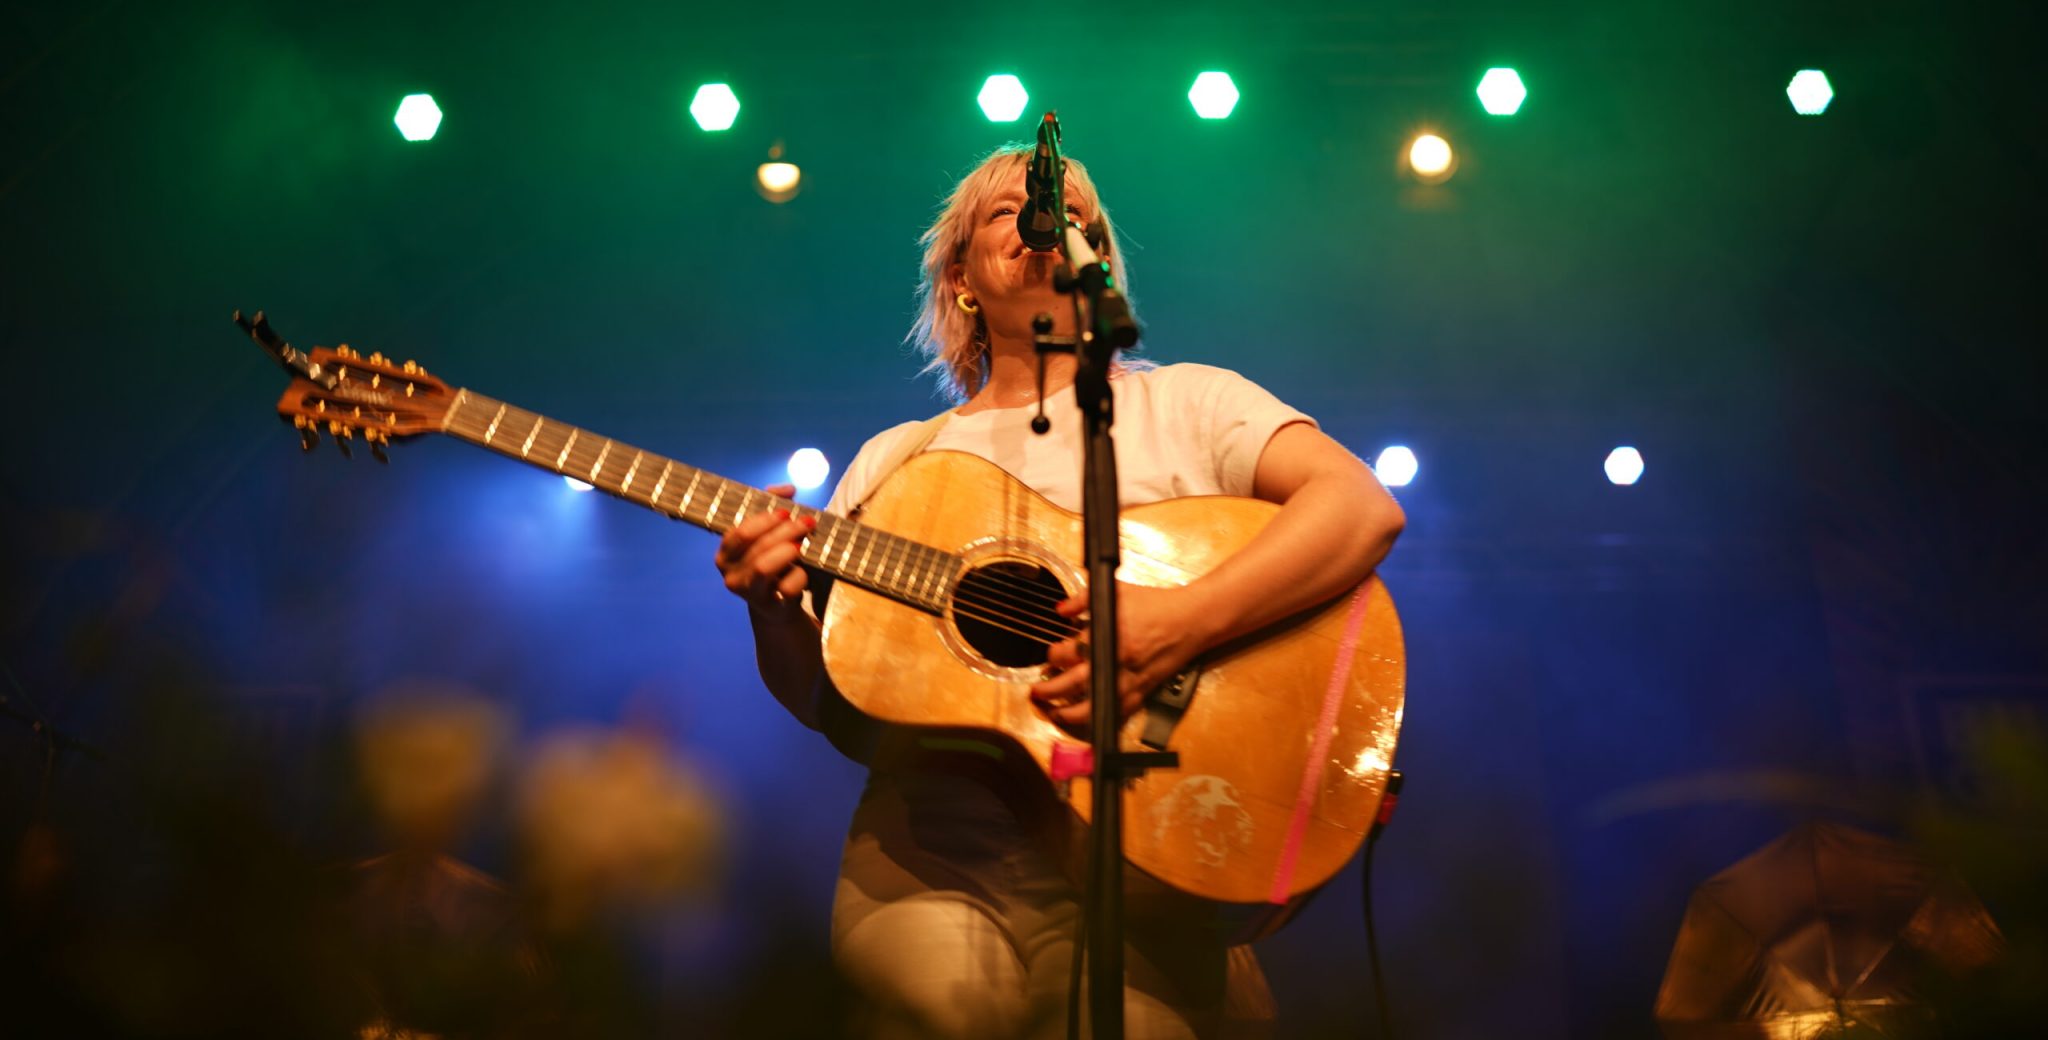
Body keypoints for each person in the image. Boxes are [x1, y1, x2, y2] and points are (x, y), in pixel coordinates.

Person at [713, 145, 1405, 1039]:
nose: (1046, 222)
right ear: (961, 277)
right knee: (946, 1009)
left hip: (1153, 843)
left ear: (1100, 264)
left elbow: (1360, 507)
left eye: (1071, 214)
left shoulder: (1191, 406)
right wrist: (770, 610)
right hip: (937, 844)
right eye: (1010, 213)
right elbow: (827, 700)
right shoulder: (897, 463)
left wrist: (1181, 623)